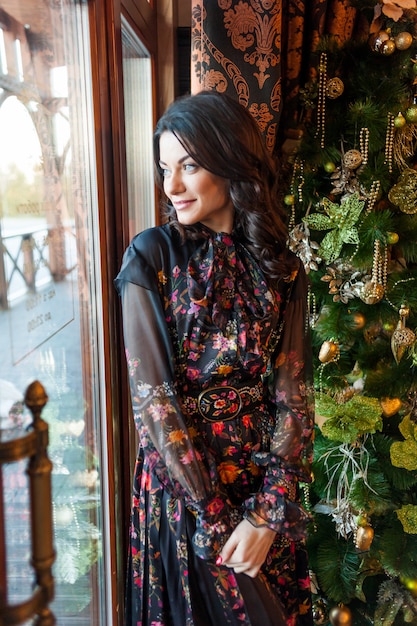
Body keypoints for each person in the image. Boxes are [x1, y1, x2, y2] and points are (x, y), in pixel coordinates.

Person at [115, 91, 315, 626]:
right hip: (186, 492)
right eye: (165, 167)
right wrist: (219, 519)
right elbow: (155, 403)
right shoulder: (151, 255)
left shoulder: (283, 267)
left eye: (190, 165)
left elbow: (294, 396)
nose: (171, 186)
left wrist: (270, 513)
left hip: (260, 489)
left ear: (230, 162)